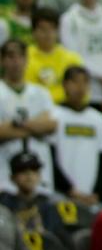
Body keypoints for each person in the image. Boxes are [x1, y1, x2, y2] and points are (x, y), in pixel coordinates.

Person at [0, 39, 57, 194]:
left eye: (20, 57)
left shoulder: (41, 93)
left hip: (39, 169)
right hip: (5, 171)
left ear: (26, 60)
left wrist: (16, 124)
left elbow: (51, 125)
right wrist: (36, 126)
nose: (16, 62)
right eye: (10, 57)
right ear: (2, 60)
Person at [53, 65, 102, 205]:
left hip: (93, 198)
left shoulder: (98, 118)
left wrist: (99, 193)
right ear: (64, 84)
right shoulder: (54, 116)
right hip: (62, 195)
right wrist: (69, 189)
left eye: (85, 82)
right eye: (75, 82)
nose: (80, 87)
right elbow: (51, 158)